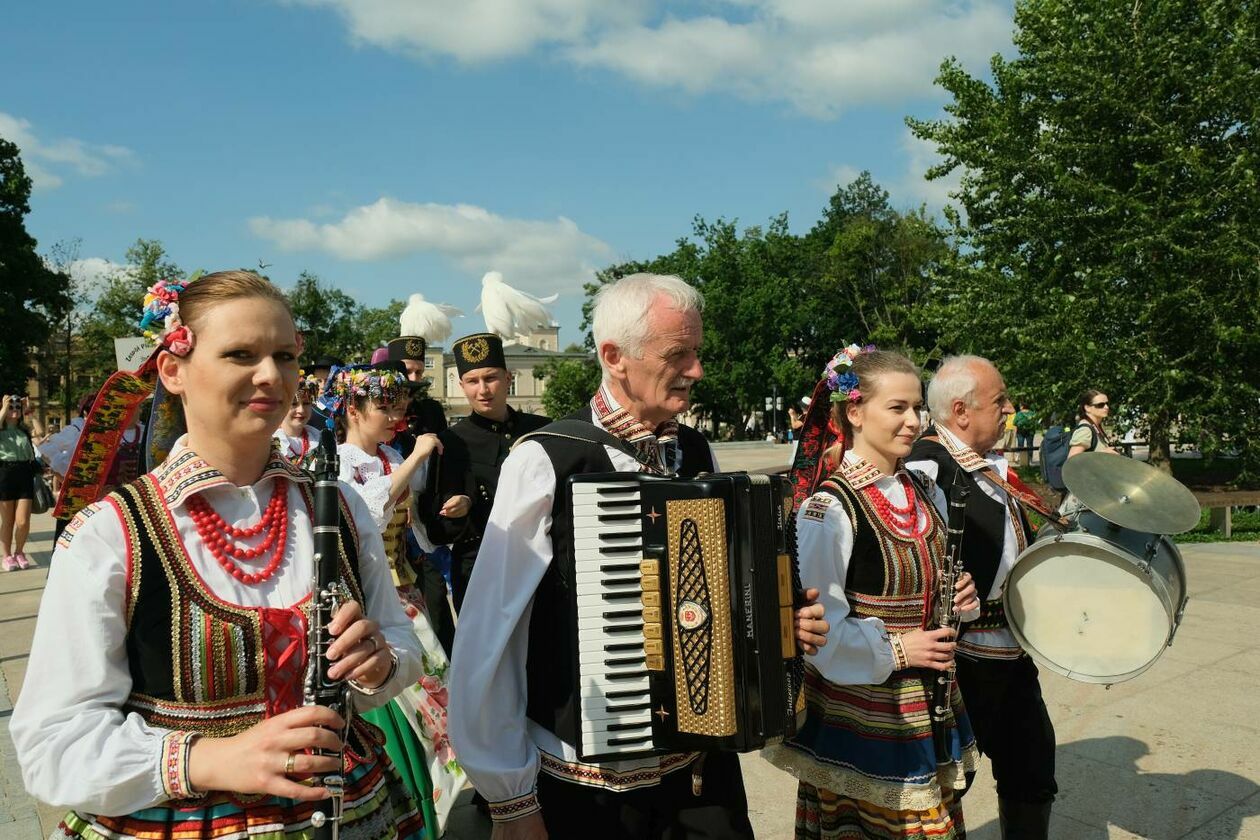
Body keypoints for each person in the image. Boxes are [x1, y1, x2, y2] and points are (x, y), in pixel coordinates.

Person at [11, 270, 427, 838]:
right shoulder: (111, 532)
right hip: (178, 819)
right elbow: (52, 744)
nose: (270, 376)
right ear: (173, 369)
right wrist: (209, 759)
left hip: (348, 808)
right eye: (240, 354)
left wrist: (380, 661)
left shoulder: (341, 508)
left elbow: (403, 647)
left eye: (284, 355)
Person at [448, 273, 830, 840]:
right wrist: (510, 799)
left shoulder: (693, 450)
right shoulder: (548, 459)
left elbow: (719, 599)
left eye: (696, 352)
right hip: (591, 785)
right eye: (678, 354)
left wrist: (778, 627)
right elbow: (489, 637)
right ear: (614, 357)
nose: (697, 370)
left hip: (703, 769)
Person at [765, 345, 980, 840]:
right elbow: (820, 633)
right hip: (865, 712)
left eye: (918, 407)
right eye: (898, 407)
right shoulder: (829, 509)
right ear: (855, 412)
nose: (913, 421)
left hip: (928, 700)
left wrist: (959, 596)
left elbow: (933, 583)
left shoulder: (925, 488)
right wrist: (901, 647)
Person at [905, 355, 1060, 839]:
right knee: (948, 781)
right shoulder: (925, 468)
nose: (1010, 409)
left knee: (1032, 765)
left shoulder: (987, 466)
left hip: (1010, 649)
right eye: (1000, 401)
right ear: (961, 410)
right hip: (959, 657)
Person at [331, 362, 465, 836]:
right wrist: (414, 460)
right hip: (373, 599)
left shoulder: (391, 454)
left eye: (400, 408)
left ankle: (438, 809)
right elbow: (367, 512)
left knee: (440, 705)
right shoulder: (341, 462)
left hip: (407, 589)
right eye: (383, 407)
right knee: (431, 707)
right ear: (352, 409)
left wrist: (452, 510)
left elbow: (419, 527)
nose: (394, 417)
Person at [416, 332, 549, 654]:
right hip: (478, 565)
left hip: (539, 560)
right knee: (486, 655)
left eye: (491, 378)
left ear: (508, 378)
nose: (483, 389)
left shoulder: (543, 430)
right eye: (473, 381)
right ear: (462, 385)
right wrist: (462, 504)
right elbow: (436, 522)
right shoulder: (452, 441)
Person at [42, 390, 96, 541]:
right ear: (86, 412)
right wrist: (66, 479)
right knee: (67, 540)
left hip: (98, 497)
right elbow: (46, 453)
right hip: (74, 497)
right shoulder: (75, 430)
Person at [0, 395, 41, 571]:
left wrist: (29, 411)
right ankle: (6, 556)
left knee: (23, 521)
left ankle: (19, 552)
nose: (15, 409)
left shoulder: (23, 430)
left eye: (17, 406)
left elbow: (39, 432)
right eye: (11, 406)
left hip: (24, 474)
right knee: (7, 521)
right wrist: (4, 407)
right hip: (5, 474)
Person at [273, 372, 321, 468]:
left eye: (306, 403)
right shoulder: (271, 441)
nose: (301, 410)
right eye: (294, 404)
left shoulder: (318, 439)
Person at [1067, 389, 1116, 460]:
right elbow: (1072, 460)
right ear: (1087, 408)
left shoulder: (1096, 426)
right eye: (1100, 405)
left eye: (1107, 404)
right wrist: (1101, 454)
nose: (1106, 407)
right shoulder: (1085, 430)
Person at [1013, 403, 1037, 467]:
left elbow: (1014, 423)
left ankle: (1020, 459)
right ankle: (1030, 459)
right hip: (1030, 431)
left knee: (1020, 445)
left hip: (1020, 432)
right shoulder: (1032, 413)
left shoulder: (1019, 414)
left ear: (1023, 406)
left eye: (1020, 406)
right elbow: (1036, 422)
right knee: (1030, 445)